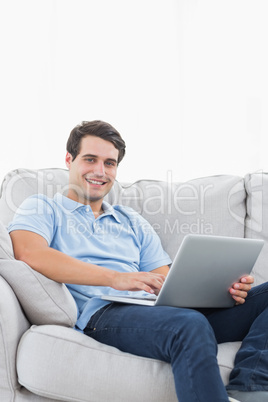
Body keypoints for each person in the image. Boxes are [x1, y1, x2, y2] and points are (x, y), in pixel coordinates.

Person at [8, 120, 268, 402]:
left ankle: (250, 386)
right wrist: (116, 278)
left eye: (110, 163)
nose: (100, 171)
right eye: (90, 160)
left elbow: (166, 282)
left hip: (157, 312)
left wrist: (222, 291)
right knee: (189, 323)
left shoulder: (130, 220)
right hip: (103, 313)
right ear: (69, 159)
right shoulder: (43, 207)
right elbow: (30, 254)